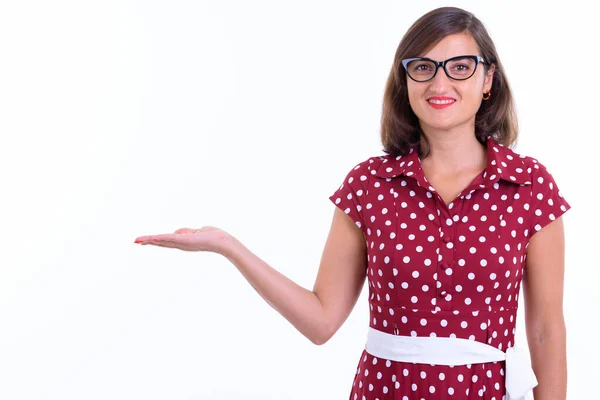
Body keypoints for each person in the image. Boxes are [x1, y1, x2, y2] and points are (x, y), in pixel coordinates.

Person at [134, 6, 570, 400]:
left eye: (459, 67)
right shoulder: (369, 186)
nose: (440, 83)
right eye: (423, 67)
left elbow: (546, 331)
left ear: (488, 79)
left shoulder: (529, 186)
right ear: (405, 81)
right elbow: (321, 321)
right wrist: (229, 245)